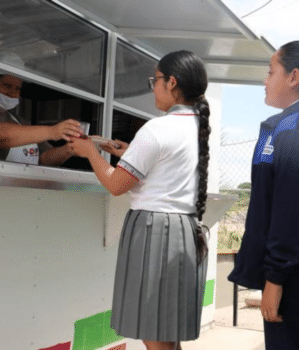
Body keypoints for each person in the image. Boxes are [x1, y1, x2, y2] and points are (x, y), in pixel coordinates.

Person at [69, 50, 210, 350]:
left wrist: (90, 152)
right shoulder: (198, 128)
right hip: (185, 230)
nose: (153, 88)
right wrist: (129, 152)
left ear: (171, 83)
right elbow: (167, 167)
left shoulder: (158, 128)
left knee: (153, 330)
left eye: (155, 80)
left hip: (154, 232)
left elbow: (115, 185)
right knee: (167, 330)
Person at [227, 40, 299, 350]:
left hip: (295, 281)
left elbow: (292, 210)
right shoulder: (295, 125)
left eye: (270, 72)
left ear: (294, 77)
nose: (265, 81)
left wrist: (276, 279)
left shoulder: (296, 129)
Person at [0, 56, 83, 166]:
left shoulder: (19, 121)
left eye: (17, 89)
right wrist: (52, 131)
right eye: (7, 86)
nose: (12, 93)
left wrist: (69, 149)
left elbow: (44, 157)